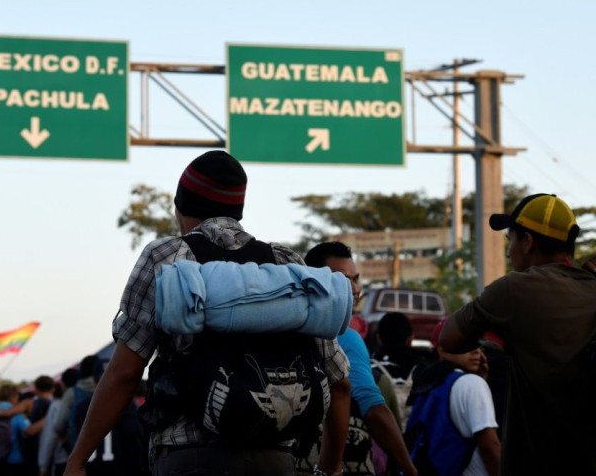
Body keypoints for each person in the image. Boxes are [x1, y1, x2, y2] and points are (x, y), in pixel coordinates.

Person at [64, 150, 351, 476]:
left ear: (181, 205)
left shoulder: (168, 258)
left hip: (190, 456)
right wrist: (330, 468)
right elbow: (339, 382)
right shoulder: (285, 262)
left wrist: (78, 458)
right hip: (274, 458)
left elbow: (125, 373)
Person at [439, 193, 596, 474]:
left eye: (510, 240)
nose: (509, 251)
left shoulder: (513, 290)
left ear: (528, 241)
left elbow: (448, 339)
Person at [305, 241, 416, 476]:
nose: (355, 290)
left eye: (356, 279)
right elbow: (373, 410)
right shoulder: (345, 337)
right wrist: (411, 470)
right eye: (345, 280)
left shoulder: (284, 328)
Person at [405, 321, 500, 476]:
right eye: (466, 345)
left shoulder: (430, 380)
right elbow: (489, 445)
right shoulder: (472, 384)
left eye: (478, 344)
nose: (476, 351)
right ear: (442, 349)